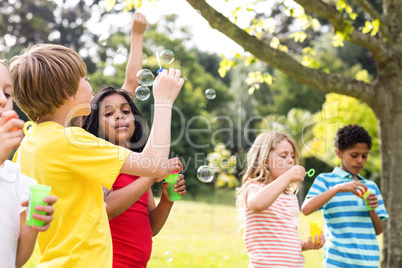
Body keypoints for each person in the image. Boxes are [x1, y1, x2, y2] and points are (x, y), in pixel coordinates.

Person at [9, 44, 184, 267]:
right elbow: (156, 164)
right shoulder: (70, 140)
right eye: (85, 79)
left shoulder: (28, 144)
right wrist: (164, 100)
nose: (90, 86)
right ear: (67, 91)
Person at [82, 85, 187, 267]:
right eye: (108, 114)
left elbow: (150, 227)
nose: (119, 116)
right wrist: (153, 174)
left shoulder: (139, 166)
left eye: (125, 111)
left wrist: (167, 200)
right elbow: (107, 208)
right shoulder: (101, 160)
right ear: (96, 127)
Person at [301, 125, 389, 268]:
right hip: (337, 262)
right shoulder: (326, 181)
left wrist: (371, 209)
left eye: (364, 156)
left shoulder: (371, 187)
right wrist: (338, 188)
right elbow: (306, 209)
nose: (360, 160)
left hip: (369, 262)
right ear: (339, 153)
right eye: (354, 155)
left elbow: (379, 230)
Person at [236, 131, 325, 268]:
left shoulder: (290, 197)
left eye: (293, 156)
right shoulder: (254, 188)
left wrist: (306, 245)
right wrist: (288, 176)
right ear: (265, 161)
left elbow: (284, 241)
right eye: (284, 156)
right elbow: (257, 204)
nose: (290, 160)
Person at [0, 60, 57, 268]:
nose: (2, 100)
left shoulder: (16, 178)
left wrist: (34, 224)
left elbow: (14, 260)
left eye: (7, 94)